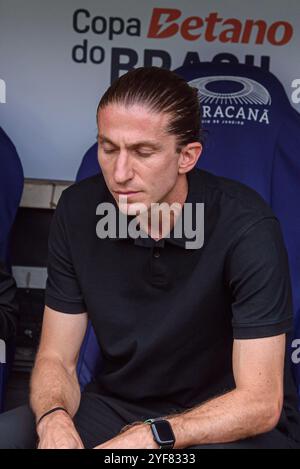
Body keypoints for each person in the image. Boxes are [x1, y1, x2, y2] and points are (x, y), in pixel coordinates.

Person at [0, 67, 299, 449]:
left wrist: (154, 436)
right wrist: (53, 419)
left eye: (143, 152)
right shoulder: (78, 210)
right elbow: (58, 359)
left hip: (224, 423)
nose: (120, 173)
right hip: (115, 408)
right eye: (108, 148)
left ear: (187, 156)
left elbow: (260, 402)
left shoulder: (245, 223)